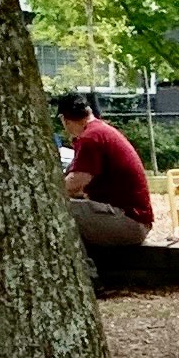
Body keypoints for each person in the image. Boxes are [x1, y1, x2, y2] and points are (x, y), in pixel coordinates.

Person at [55, 92, 153, 248]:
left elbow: (75, 183)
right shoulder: (100, 131)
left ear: (64, 120)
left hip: (128, 222)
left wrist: (48, 190)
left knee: (54, 207)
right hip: (135, 221)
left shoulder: (90, 137)